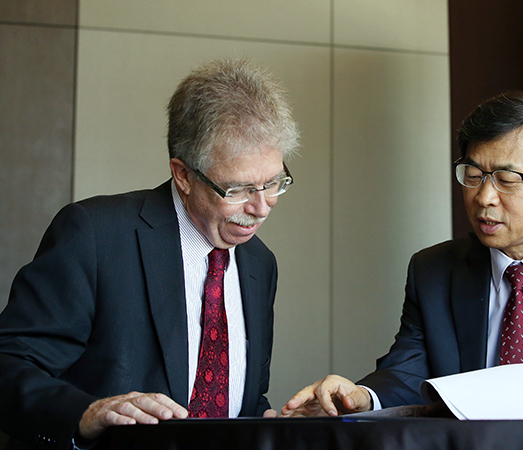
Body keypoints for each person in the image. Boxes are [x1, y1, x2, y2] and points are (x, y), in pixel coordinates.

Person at [280, 91, 523, 417]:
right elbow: (411, 370)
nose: (484, 197)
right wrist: (361, 396)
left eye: (507, 180)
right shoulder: (434, 269)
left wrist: (481, 395)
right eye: (473, 175)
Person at [0, 58, 299, 448]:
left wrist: (274, 423)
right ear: (183, 175)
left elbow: (240, 399)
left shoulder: (260, 264)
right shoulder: (94, 234)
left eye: (274, 183)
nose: (261, 207)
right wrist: (85, 414)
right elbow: (9, 364)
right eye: (238, 189)